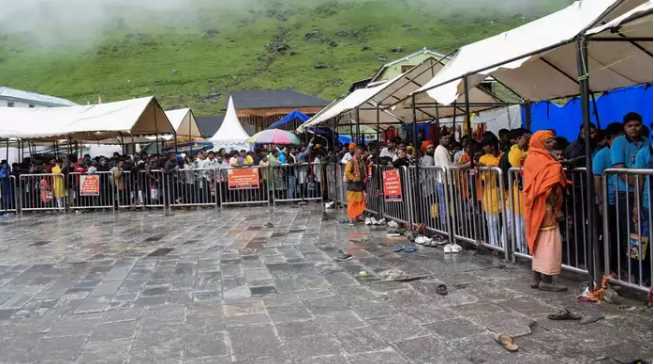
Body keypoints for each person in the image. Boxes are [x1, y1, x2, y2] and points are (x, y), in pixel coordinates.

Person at [524, 130, 568, 291]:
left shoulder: (533, 158)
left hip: (535, 207)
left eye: (552, 141)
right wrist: (555, 209)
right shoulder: (544, 161)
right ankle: (547, 281)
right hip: (546, 207)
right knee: (550, 243)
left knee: (538, 241)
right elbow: (548, 188)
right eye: (548, 142)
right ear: (539, 143)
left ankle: (536, 278)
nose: (552, 144)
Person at [610, 112, 648, 277]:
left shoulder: (647, 141)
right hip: (625, 193)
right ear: (624, 128)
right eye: (630, 126)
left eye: (637, 125)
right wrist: (639, 183)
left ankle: (643, 270)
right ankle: (634, 271)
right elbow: (619, 169)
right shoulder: (618, 142)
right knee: (632, 233)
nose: (634, 128)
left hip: (645, 194)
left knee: (643, 233)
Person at [478, 134, 502, 247]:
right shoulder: (483, 158)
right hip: (489, 193)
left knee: (500, 222)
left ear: (492, 146)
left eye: (485, 146)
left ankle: (501, 245)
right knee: (492, 222)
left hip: (501, 193)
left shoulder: (501, 157)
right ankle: (494, 245)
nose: (483, 148)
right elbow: (483, 178)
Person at [344, 145, 366, 225]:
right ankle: (351, 219)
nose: (361, 155)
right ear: (356, 152)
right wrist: (353, 178)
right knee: (352, 203)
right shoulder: (351, 161)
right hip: (352, 186)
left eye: (361, 153)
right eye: (359, 153)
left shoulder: (361, 161)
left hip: (359, 185)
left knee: (359, 202)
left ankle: (357, 217)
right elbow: (347, 172)